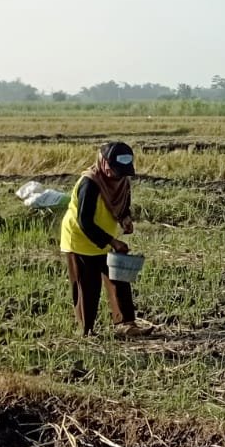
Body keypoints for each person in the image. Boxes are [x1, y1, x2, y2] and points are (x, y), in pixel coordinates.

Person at [59, 141, 150, 337]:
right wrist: (113, 241)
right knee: (88, 286)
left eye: (121, 172)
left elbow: (123, 206)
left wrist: (125, 219)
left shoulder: (122, 181)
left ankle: (126, 325)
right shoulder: (90, 183)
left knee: (119, 279)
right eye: (113, 169)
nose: (116, 175)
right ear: (103, 162)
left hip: (105, 238)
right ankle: (86, 331)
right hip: (80, 239)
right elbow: (85, 221)